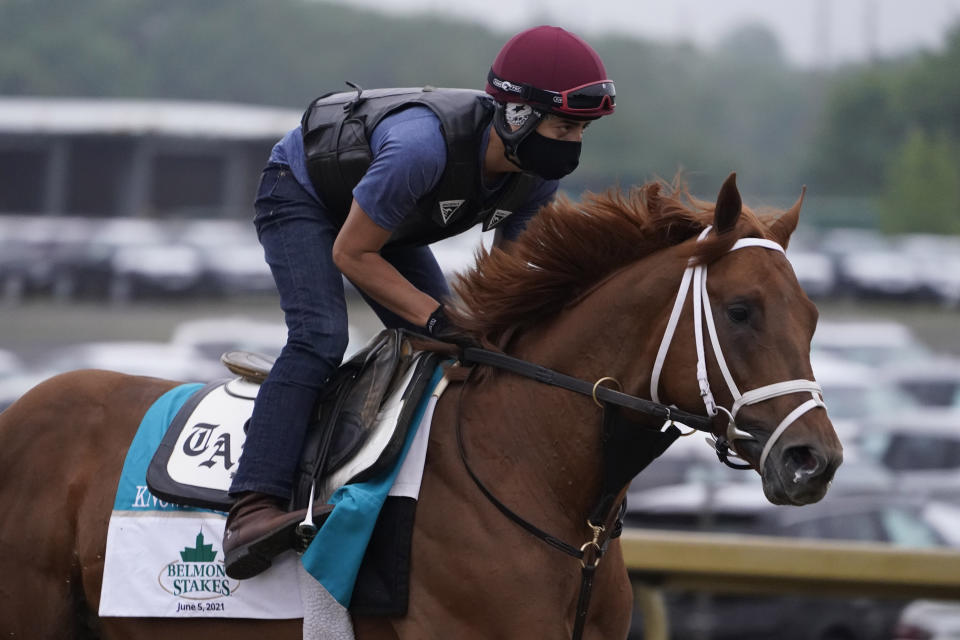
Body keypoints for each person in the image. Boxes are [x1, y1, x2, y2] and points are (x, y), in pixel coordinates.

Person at [222, 24, 616, 579]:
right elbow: (352, 255)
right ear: (518, 116)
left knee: (464, 348)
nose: (573, 143)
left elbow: (509, 287)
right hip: (304, 196)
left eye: (583, 131)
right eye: (565, 125)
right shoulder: (420, 149)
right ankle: (251, 507)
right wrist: (438, 316)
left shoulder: (534, 180)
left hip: (389, 220)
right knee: (320, 335)